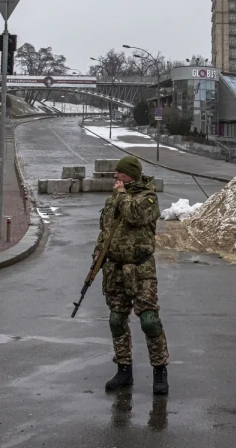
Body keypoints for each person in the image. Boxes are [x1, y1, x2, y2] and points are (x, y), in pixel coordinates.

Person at [94, 154, 169, 394]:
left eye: (120, 173)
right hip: (115, 269)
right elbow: (105, 231)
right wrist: (97, 256)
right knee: (116, 320)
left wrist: (120, 195)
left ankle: (160, 370)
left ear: (131, 176)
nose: (115, 177)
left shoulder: (148, 198)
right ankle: (124, 369)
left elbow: (135, 215)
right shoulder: (114, 199)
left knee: (149, 321)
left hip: (141, 270)